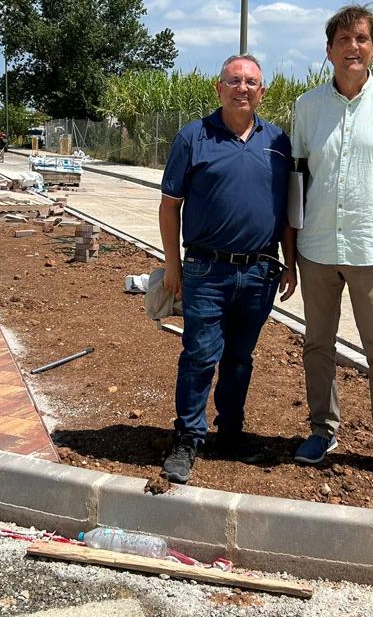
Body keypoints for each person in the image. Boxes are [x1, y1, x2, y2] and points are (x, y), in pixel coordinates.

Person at [290, 4, 373, 489]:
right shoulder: (307, 108)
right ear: (329, 50)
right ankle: (322, 430)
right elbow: (297, 182)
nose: (353, 46)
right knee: (317, 345)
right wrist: (290, 253)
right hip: (318, 248)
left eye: (362, 38)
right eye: (344, 39)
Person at [157, 54, 298, 484]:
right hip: (205, 270)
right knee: (200, 355)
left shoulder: (279, 142)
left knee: (240, 359)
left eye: (251, 82)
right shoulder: (192, 138)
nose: (242, 88)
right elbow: (169, 206)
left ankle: (231, 433)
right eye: (234, 80)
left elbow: (290, 210)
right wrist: (172, 265)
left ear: (262, 91)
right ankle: (187, 439)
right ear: (219, 88)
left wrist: (289, 264)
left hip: (259, 273)